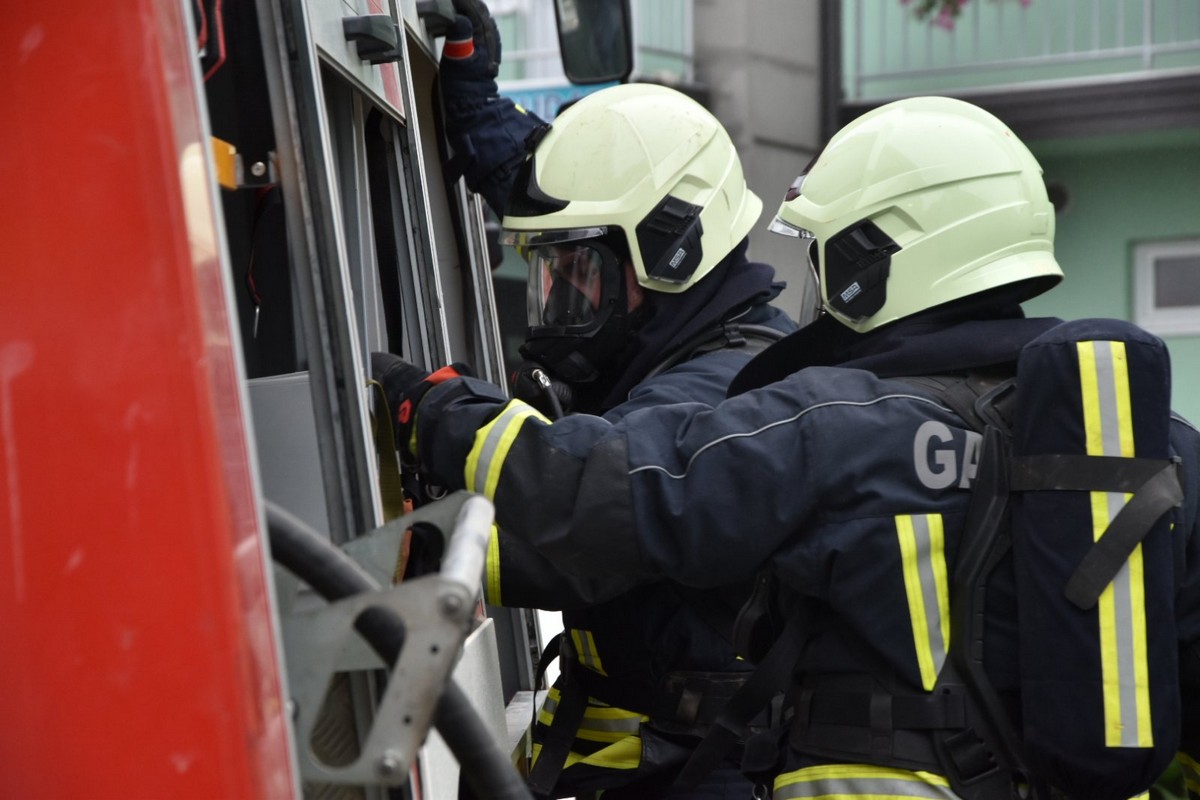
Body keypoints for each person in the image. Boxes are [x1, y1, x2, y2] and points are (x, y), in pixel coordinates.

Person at [373, 95, 1200, 799]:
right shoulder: (1143, 441)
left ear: (874, 260)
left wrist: (431, 407)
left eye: (825, 254)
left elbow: (606, 493)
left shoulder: (838, 425)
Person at [405, 4, 800, 797]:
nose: (558, 303)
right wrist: (473, 105)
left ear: (670, 251)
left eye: (576, 280)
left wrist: (411, 522)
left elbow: (578, 532)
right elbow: (574, 205)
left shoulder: (727, 392)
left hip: (688, 774)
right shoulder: (681, 330)